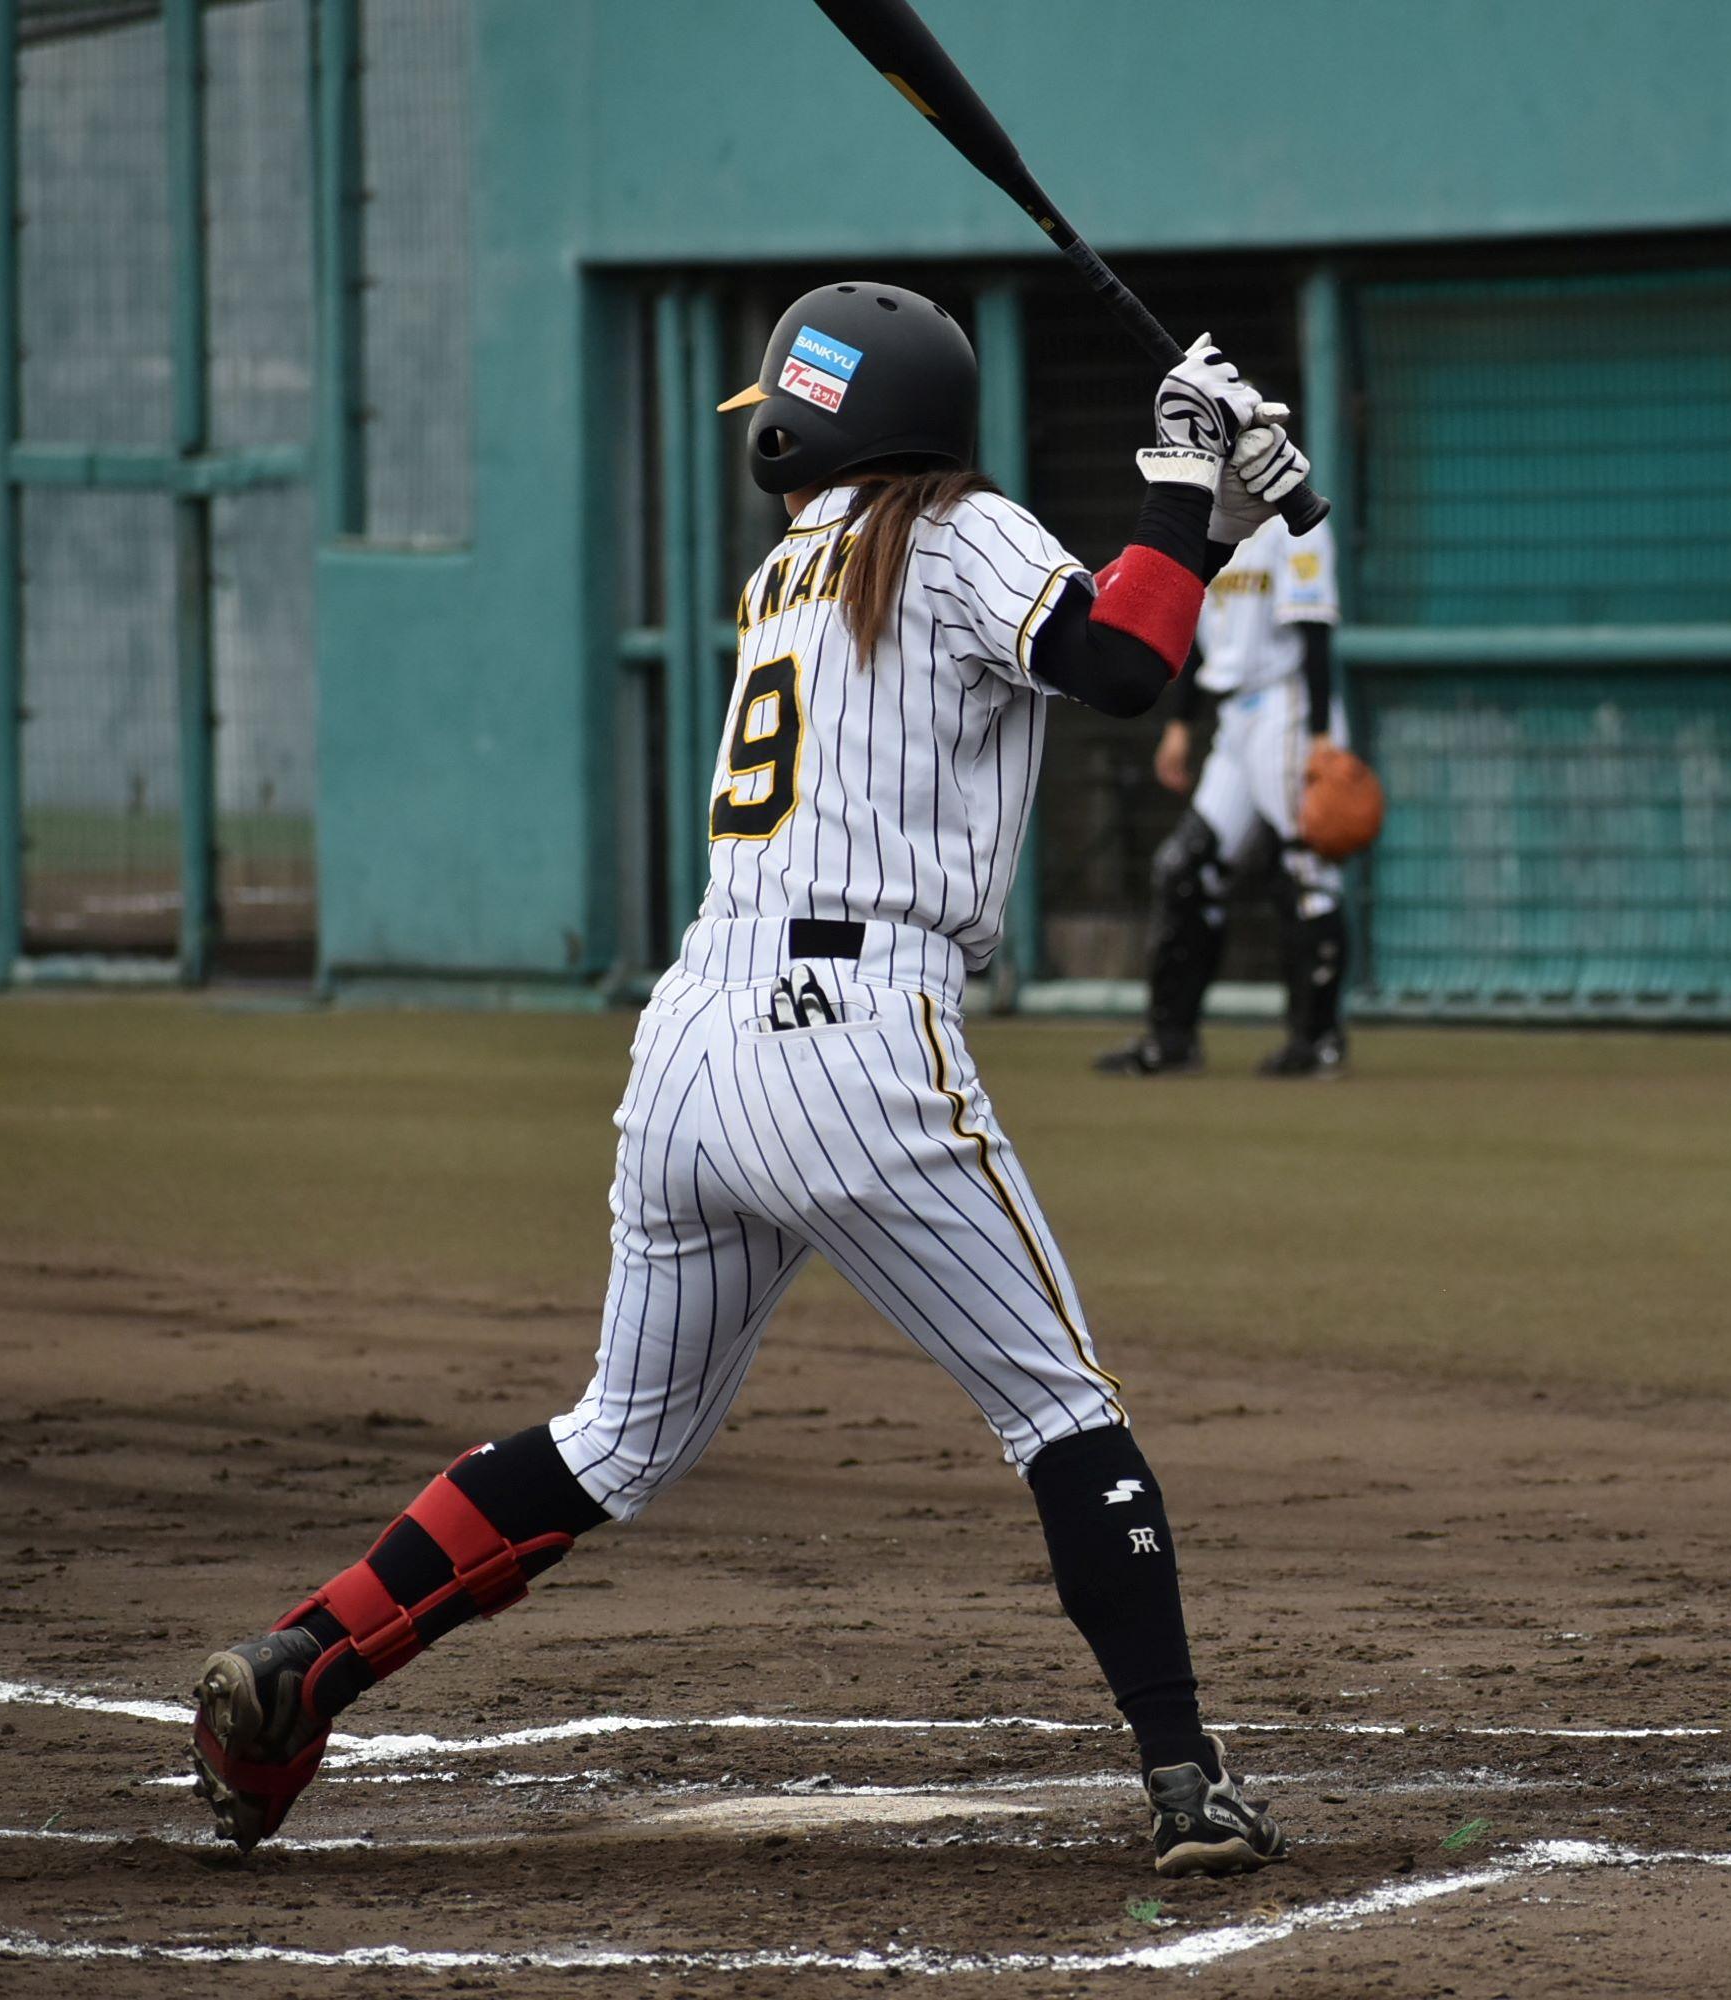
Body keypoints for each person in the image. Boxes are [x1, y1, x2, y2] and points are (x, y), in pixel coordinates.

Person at [188, 282, 1310, 1877]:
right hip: (854, 1040)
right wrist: (1187, 481)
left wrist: (1198, 506)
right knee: (1064, 1413)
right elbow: (1122, 666)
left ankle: (306, 1662)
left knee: (610, 1444)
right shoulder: (950, 528)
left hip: (695, 1048)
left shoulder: (803, 565)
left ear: (820, 417)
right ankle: (1189, 1783)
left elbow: (1114, 632)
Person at [1095, 510, 1351, 1079]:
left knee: (1305, 872)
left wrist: (1321, 741)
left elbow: (1314, 630)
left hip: (1287, 708)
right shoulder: (1209, 524)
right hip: (1235, 719)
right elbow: (1196, 635)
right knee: (1183, 868)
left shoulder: (1298, 522)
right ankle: (1172, 1040)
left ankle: (1318, 1041)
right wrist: (1182, 724)